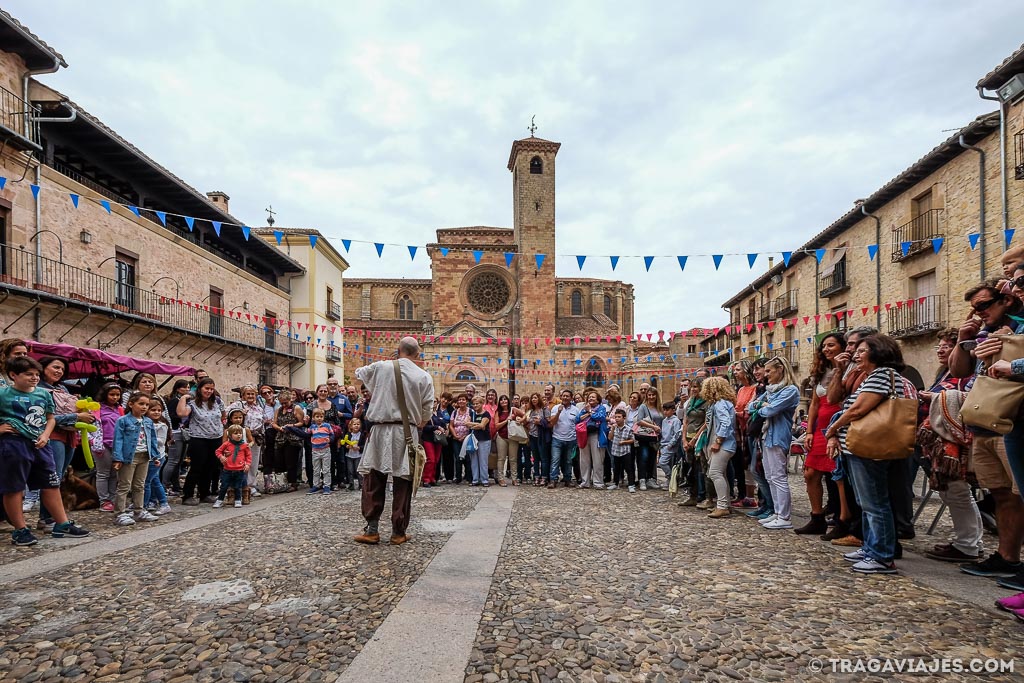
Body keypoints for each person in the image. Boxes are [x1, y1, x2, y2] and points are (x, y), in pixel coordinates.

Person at [950, 280, 1024, 580]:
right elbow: (958, 371)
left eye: (983, 305)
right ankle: (1007, 558)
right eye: (974, 308)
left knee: (1019, 495)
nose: (978, 313)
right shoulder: (982, 333)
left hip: (1013, 420)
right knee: (1001, 494)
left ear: (1005, 300)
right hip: (984, 424)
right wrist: (962, 339)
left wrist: (1007, 347)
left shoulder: (1019, 329)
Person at [825, 334, 917, 574]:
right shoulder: (870, 376)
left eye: (863, 350)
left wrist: (832, 429)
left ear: (879, 352)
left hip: (869, 448)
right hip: (858, 447)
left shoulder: (881, 375)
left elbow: (858, 409)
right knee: (867, 503)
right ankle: (871, 546)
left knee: (875, 503)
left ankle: (882, 556)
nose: (856, 354)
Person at [353, 337, 435, 546]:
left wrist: (379, 390)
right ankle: (398, 532)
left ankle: (372, 530)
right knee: (403, 483)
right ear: (418, 354)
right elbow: (427, 411)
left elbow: (359, 374)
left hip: (380, 429)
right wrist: (418, 422)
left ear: (398, 350)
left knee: (373, 479)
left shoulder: (381, 367)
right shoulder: (423, 376)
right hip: (406, 432)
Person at [0, 356, 90, 545]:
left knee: (51, 483)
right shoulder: (3, 394)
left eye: (36, 374)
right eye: (28, 374)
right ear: (13, 375)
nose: (34, 378)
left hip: (40, 444)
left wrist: (46, 435)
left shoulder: (43, 394)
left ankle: (62, 523)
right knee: (14, 487)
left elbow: (51, 418)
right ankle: (20, 529)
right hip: (14, 444)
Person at [919, 328, 982, 563]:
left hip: (955, 442)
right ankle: (970, 541)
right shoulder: (944, 373)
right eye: (940, 345)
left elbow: (969, 399)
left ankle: (967, 545)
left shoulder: (967, 375)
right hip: (941, 440)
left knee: (957, 492)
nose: (942, 349)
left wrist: (931, 397)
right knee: (953, 493)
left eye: (949, 345)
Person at [37, 356, 95, 531]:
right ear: (43, 368)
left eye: (62, 369)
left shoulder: (62, 388)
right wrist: (76, 416)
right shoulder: (38, 390)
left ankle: (53, 517)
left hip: (69, 435)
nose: (59, 371)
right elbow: (44, 418)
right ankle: (47, 519)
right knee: (52, 477)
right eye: (55, 367)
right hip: (52, 435)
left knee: (60, 477)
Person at [798, 333, 848, 536]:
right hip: (821, 427)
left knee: (838, 476)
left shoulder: (848, 369)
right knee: (810, 473)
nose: (826, 349)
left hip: (839, 425)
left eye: (831, 345)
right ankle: (817, 517)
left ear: (843, 347)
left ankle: (843, 520)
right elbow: (814, 404)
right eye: (824, 346)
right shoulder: (821, 371)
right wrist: (809, 431)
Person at [752, 356, 801, 531]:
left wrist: (763, 406)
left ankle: (784, 516)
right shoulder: (770, 390)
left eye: (768, 371)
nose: (765, 375)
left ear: (780, 369)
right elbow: (752, 407)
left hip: (778, 436)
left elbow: (770, 410)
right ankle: (777, 513)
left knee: (779, 477)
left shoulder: (790, 390)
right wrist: (762, 405)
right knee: (770, 477)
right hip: (766, 436)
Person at [112, 392, 161, 526]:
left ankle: (139, 510)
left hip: (144, 456)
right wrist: (117, 458)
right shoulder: (123, 421)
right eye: (141, 404)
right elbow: (118, 440)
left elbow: (152, 440)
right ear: (131, 404)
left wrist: (155, 456)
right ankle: (119, 513)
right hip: (129, 457)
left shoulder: (148, 421)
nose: (144, 407)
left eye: (146, 404)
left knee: (140, 485)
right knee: (124, 485)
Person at [178, 377, 227, 506]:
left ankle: (204, 493)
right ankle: (187, 494)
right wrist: (183, 398)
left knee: (210, 467)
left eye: (211, 388)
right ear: (200, 389)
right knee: (197, 467)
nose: (209, 391)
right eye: (206, 388)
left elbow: (223, 415)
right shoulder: (193, 404)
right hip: (199, 439)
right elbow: (182, 413)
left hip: (215, 438)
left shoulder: (217, 401)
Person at [701, 377, 738, 518]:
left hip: (724, 444)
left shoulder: (719, 404)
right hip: (728, 444)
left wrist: (718, 440)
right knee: (721, 474)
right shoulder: (725, 403)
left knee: (715, 473)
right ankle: (725, 503)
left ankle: (722, 505)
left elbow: (725, 423)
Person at [226, 385, 267, 497]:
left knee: (253, 463)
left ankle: (251, 486)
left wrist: (260, 436)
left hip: (255, 438)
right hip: (240, 438)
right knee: (238, 463)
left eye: (252, 394)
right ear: (243, 395)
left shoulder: (259, 408)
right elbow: (227, 415)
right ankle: (236, 486)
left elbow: (263, 422)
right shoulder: (238, 405)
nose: (250, 396)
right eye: (248, 394)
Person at [288, 407, 335, 495]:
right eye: (317, 416)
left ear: (323, 417)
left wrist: (330, 439)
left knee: (326, 469)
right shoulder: (312, 427)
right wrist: (292, 429)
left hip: (325, 450)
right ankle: (316, 485)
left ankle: (327, 486)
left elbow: (332, 435)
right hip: (315, 451)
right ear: (313, 418)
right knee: (316, 469)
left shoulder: (327, 426)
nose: (319, 418)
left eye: (321, 416)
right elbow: (305, 434)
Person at [96, 382, 124, 512]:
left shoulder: (120, 409)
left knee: (114, 473)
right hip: (102, 443)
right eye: (112, 394)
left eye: (117, 395)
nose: (115, 397)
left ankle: (112, 499)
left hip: (117, 444)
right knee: (103, 473)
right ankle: (104, 500)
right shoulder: (97, 408)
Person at [271, 389, 305, 492]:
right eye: (282, 403)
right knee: (279, 461)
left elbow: (301, 422)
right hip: (281, 438)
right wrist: (278, 428)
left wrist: (292, 426)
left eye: (286, 403)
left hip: (293, 438)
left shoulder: (297, 408)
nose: (284, 405)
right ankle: (282, 483)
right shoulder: (279, 410)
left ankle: (293, 483)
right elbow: (274, 422)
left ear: (290, 400)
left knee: (291, 462)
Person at [143, 397, 172, 516]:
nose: (156, 412)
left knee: (148, 481)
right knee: (153, 480)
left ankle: (159, 503)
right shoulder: (144, 422)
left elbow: (161, 441)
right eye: (153, 410)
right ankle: (150, 502)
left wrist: (150, 436)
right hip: (148, 456)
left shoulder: (161, 426)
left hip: (157, 456)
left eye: (159, 410)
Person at [162, 379, 191, 496]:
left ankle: (176, 485)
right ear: (178, 388)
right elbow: (171, 416)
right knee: (173, 460)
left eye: (188, 387)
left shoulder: (185, 401)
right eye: (185, 387)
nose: (187, 389)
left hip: (183, 432)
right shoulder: (174, 400)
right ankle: (164, 484)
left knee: (179, 461)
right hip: (175, 431)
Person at [576, 390, 609, 489]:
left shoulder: (602, 408)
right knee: (584, 460)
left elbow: (601, 417)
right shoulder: (584, 408)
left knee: (597, 459)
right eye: (589, 397)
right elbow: (577, 419)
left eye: (593, 397)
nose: (590, 398)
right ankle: (585, 481)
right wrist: (586, 412)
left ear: (598, 400)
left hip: (596, 435)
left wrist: (590, 412)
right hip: (584, 434)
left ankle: (598, 482)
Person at [213, 425, 252, 509]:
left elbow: (248, 456)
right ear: (230, 435)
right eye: (236, 433)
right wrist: (221, 457)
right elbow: (218, 451)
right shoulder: (227, 444)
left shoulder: (245, 445)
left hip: (240, 469)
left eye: (240, 433)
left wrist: (247, 464)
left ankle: (238, 499)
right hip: (227, 469)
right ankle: (220, 500)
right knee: (224, 486)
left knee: (238, 486)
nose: (238, 435)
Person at [548, 390, 580, 489]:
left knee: (568, 461)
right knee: (555, 460)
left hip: (571, 439)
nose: (565, 398)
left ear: (571, 398)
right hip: (557, 438)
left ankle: (568, 479)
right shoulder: (555, 408)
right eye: (563, 396)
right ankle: (553, 479)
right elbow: (551, 423)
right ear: (561, 397)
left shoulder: (575, 410)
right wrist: (558, 412)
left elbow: (578, 424)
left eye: (567, 396)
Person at [635, 388, 664, 490]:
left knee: (652, 458)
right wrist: (653, 427)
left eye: (653, 395)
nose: (651, 397)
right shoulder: (643, 407)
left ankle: (650, 479)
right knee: (643, 457)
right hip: (644, 436)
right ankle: (642, 479)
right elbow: (639, 421)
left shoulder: (659, 407)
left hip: (656, 437)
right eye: (649, 395)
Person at [422, 394, 450, 488]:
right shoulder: (426, 414)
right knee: (431, 459)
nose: (433, 403)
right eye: (431, 401)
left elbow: (443, 425)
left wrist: (443, 429)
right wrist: (436, 427)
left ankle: (433, 478)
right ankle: (426, 479)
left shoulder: (439, 414)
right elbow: (423, 426)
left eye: (434, 401)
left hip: (438, 439)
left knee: (437, 460)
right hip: (428, 438)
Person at [608, 408, 636, 492]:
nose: (617, 419)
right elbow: (610, 438)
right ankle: (616, 483)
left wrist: (624, 442)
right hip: (616, 451)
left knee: (628, 468)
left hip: (625, 451)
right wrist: (612, 429)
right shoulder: (614, 428)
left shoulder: (628, 428)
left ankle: (631, 484)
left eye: (619, 417)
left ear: (624, 418)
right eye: (616, 417)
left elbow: (632, 440)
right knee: (616, 468)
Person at [526, 393, 551, 487]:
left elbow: (549, 423)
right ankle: (536, 476)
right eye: (532, 398)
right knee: (535, 458)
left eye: (535, 397)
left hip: (542, 436)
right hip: (532, 436)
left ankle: (544, 477)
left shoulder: (545, 410)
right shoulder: (531, 411)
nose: (533, 399)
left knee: (543, 458)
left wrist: (540, 422)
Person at [449, 393, 474, 485]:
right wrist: (455, 435)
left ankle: (469, 476)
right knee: (458, 457)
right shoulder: (454, 412)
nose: (461, 401)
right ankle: (458, 477)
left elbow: (472, 425)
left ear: (467, 401)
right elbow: (451, 425)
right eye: (459, 400)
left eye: (463, 399)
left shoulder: (471, 411)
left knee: (467, 458)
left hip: (467, 438)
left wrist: (465, 436)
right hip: (456, 438)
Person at [467, 396, 492, 487]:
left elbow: (482, 425)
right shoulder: (471, 413)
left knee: (483, 460)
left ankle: (484, 479)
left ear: (482, 404)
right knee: (474, 460)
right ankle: (475, 479)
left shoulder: (486, 414)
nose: (475, 405)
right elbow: (466, 423)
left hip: (484, 440)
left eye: (477, 403)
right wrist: (478, 425)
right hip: (473, 440)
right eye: (474, 404)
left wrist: (473, 425)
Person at [657, 401, 682, 485]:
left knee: (662, 462)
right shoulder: (664, 421)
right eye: (664, 410)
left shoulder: (676, 421)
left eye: (667, 410)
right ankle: (670, 480)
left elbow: (677, 434)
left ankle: (670, 477)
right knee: (668, 463)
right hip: (663, 444)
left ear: (673, 410)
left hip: (670, 445)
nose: (665, 412)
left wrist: (671, 444)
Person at [340, 417, 365, 491]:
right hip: (349, 455)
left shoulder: (361, 435)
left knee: (358, 470)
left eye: (358, 424)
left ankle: (361, 484)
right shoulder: (348, 434)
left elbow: (364, 444)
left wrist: (359, 448)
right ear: (351, 426)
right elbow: (343, 443)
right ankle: (351, 484)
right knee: (350, 470)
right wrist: (347, 446)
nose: (356, 426)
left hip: (358, 455)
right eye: (354, 424)